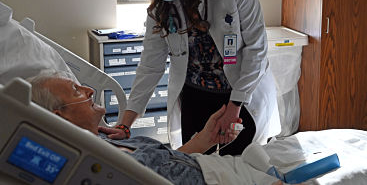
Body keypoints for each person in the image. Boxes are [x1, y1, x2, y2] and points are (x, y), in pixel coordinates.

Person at [103, 0, 280, 155]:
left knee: (238, 165)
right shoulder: (161, 8)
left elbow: (256, 48)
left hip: (239, 93)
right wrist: (124, 124)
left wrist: (235, 106)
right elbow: (150, 66)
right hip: (195, 96)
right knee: (196, 164)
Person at [28, 72, 284, 185]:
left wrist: (205, 139)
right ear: (58, 116)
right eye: (76, 90)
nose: (89, 90)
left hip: (212, 168)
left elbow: (165, 164)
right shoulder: (92, 164)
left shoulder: (104, 142)